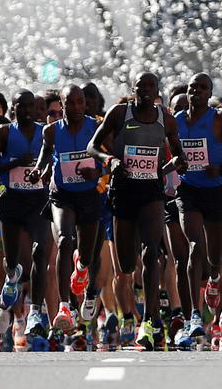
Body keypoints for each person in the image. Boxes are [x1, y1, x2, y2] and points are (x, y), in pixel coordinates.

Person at [88, 72, 187, 350]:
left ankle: (150, 320)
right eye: (140, 86)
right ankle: (142, 313)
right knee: (128, 264)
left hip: (151, 193)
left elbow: (179, 155)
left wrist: (166, 168)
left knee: (152, 252)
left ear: (157, 91)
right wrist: (110, 160)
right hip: (123, 192)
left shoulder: (165, 118)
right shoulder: (120, 114)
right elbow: (92, 146)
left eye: (150, 86)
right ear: (133, 90)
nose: (144, 90)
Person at [174, 73, 222, 344]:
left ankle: (215, 278)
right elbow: (169, 153)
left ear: (209, 93)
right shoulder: (177, 121)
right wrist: (173, 166)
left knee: (215, 260)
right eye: (193, 87)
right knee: (194, 246)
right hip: (188, 191)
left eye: (202, 88)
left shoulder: (219, 120)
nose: (197, 92)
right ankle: (195, 314)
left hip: (215, 191)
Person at [0, 91, 52, 342]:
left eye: (29, 106)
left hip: (38, 202)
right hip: (11, 201)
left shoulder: (45, 132)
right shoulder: (3, 133)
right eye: (19, 106)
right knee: (12, 262)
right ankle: (11, 280)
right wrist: (14, 164)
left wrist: (41, 172)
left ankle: (35, 311)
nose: (25, 110)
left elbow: (52, 163)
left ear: (36, 109)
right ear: (12, 109)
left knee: (40, 252)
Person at [37, 84, 103, 333]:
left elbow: (108, 160)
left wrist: (96, 172)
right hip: (62, 195)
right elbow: (45, 156)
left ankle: (82, 267)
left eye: (79, 102)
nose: (75, 107)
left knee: (87, 257)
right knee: (64, 240)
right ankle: (64, 306)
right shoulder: (51, 131)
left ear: (85, 104)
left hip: (89, 196)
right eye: (69, 103)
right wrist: (38, 171)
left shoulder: (96, 127)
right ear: (61, 106)